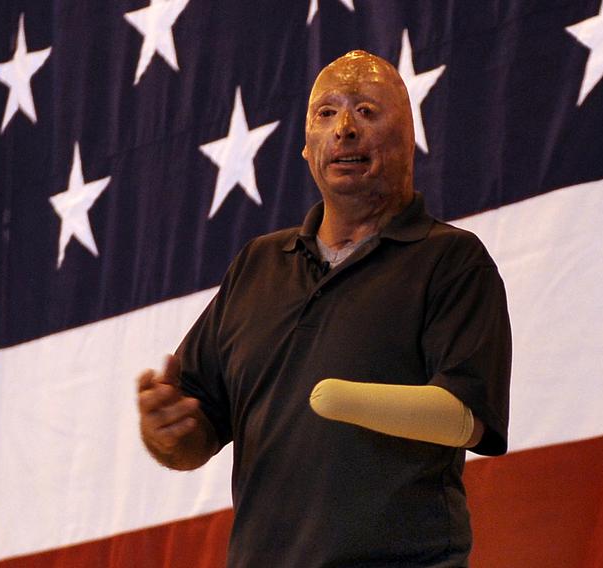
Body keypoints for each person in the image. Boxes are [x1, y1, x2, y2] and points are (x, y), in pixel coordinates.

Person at [136, 50, 511, 567]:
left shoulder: (451, 260)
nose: (344, 129)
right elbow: (195, 434)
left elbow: (469, 418)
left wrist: (347, 401)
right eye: (326, 113)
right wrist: (167, 431)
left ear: (409, 137)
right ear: (306, 146)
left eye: (367, 111)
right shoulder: (258, 264)